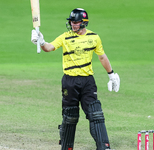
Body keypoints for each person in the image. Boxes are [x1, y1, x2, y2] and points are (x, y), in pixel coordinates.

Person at [31, 8, 120, 150]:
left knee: (95, 114)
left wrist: (111, 74)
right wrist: (41, 41)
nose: (73, 24)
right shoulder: (65, 37)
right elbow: (49, 47)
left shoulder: (94, 37)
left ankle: (104, 147)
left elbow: (102, 57)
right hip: (69, 82)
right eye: (72, 22)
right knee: (70, 116)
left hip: (88, 82)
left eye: (76, 22)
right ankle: (67, 147)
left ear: (84, 22)